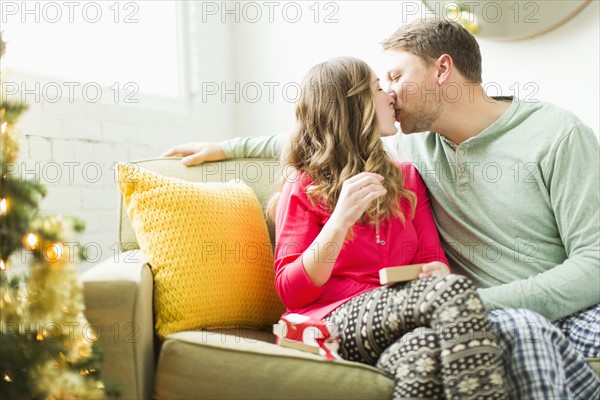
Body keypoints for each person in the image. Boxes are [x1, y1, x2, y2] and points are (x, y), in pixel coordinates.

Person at [163, 19, 600, 399]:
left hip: (554, 305)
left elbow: (594, 264)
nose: (387, 93)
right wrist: (227, 146)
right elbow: (328, 132)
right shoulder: (411, 140)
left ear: (442, 69)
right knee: (523, 331)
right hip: (470, 312)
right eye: (380, 84)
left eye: (393, 76)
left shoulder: (554, 136)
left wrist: (470, 298)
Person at [272, 55, 506, 399]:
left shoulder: (407, 179)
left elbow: (433, 258)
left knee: (422, 351)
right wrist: (339, 221)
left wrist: (435, 269)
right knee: (454, 291)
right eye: (379, 88)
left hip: (394, 320)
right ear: (354, 107)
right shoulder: (306, 184)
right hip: (328, 321)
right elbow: (291, 291)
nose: (391, 96)